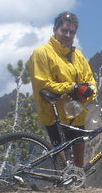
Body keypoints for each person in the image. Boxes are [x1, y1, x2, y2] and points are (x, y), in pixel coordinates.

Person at [29, 11, 97, 167]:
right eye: (64, 30)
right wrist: (73, 88)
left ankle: (78, 186)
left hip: (76, 114)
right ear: (55, 29)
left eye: (71, 32)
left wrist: (88, 91)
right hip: (53, 114)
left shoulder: (78, 56)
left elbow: (90, 80)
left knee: (77, 166)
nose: (67, 35)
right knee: (64, 164)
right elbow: (43, 84)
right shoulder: (41, 53)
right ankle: (64, 185)